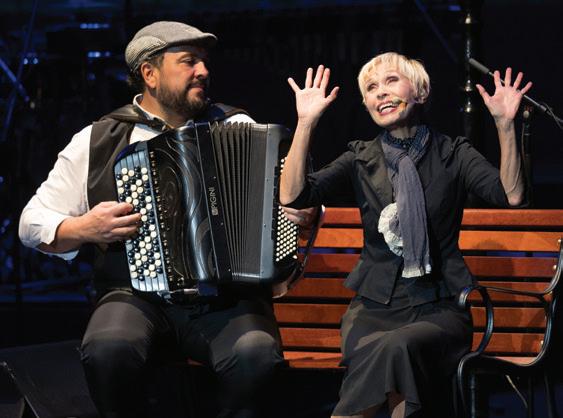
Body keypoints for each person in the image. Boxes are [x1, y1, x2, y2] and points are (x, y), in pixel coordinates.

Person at [19, 20, 315, 418]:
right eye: (189, 61)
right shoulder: (98, 139)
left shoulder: (237, 127)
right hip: (134, 296)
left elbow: (294, 201)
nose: (203, 71)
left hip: (226, 300)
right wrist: (84, 228)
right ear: (149, 73)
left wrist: (301, 211)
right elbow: (31, 222)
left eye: (205, 62)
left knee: (256, 356)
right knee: (107, 350)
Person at [280, 52, 531, 418]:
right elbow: (294, 197)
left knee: (400, 347)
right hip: (372, 310)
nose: (381, 92)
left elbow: (511, 195)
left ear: (421, 92)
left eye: (391, 81)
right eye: (371, 88)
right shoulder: (360, 158)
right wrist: (305, 123)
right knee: (393, 354)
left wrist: (504, 125)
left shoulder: (453, 154)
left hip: (440, 308)